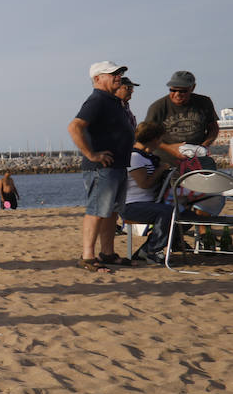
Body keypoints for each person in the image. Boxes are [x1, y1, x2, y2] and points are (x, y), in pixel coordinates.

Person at [68, 61, 136, 273]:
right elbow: (75, 127)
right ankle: (88, 256)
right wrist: (91, 154)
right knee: (97, 211)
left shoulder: (113, 101)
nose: (118, 76)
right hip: (102, 168)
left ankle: (107, 253)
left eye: (119, 73)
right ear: (98, 79)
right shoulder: (97, 100)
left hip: (117, 166)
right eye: (112, 74)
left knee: (111, 213)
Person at [142, 70, 221, 168]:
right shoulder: (158, 107)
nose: (177, 94)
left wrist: (203, 146)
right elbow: (146, 136)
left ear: (192, 88)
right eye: (173, 90)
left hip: (198, 160)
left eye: (183, 91)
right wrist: (170, 148)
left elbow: (213, 128)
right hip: (166, 162)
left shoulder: (204, 102)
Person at [123, 122, 177, 264]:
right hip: (131, 205)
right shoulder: (135, 157)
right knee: (168, 212)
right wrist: (161, 169)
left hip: (148, 203)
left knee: (185, 212)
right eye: (160, 138)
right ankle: (152, 251)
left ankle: (145, 251)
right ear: (154, 139)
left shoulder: (147, 156)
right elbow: (144, 184)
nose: (161, 142)